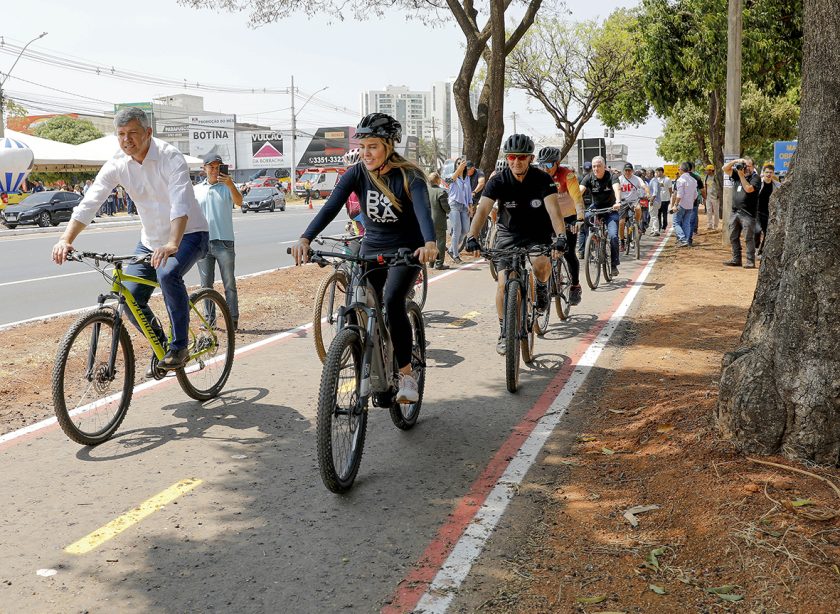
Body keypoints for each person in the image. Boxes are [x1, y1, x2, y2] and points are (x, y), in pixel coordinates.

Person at [291, 113, 437, 403]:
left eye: (373, 146)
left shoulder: (410, 175)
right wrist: (306, 237)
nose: (365, 152)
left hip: (405, 251)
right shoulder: (356, 173)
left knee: (393, 301)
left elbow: (423, 211)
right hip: (370, 250)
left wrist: (429, 243)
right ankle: (366, 356)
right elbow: (331, 207)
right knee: (358, 301)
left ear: (388, 146)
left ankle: (406, 374)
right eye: (363, 146)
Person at [51, 106, 209, 371]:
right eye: (121, 134)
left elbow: (180, 203)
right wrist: (66, 238)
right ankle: (162, 346)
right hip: (149, 242)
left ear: (148, 132)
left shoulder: (170, 157)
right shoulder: (117, 164)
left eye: (133, 133)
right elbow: (91, 202)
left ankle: (179, 346)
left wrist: (172, 244)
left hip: (188, 235)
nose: (126, 140)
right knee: (129, 296)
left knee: (168, 273)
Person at [463, 133, 567, 355]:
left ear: (530, 158)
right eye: (512, 157)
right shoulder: (498, 181)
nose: (516, 161)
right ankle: (504, 331)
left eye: (521, 157)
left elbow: (554, 211)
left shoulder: (542, 179)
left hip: (538, 232)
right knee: (502, 284)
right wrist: (471, 236)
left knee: (541, 263)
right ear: (507, 158)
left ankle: (541, 288)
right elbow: (482, 210)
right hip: (508, 232)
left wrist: (561, 236)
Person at [195, 153, 243, 331]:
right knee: (205, 285)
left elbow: (239, 202)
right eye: (211, 167)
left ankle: (232, 319)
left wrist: (230, 184)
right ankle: (209, 321)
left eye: (218, 167)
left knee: (229, 283)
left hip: (224, 242)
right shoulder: (196, 189)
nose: (215, 170)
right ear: (204, 168)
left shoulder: (227, 187)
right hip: (202, 242)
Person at [535, 146, 585, 306]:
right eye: (542, 165)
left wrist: (580, 218)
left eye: (549, 165)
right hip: (548, 218)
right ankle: (543, 286)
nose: (545, 169)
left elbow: (577, 198)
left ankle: (575, 286)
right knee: (541, 252)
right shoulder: (538, 176)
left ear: (557, 163)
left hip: (568, 219)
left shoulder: (567, 175)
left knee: (569, 254)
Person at [579, 156, 623, 276]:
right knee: (586, 216)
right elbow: (579, 192)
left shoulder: (612, 177)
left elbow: (617, 189)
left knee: (613, 236)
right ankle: (592, 238)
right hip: (596, 207)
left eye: (598, 166)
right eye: (594, 166)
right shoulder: (588, 178)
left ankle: (614, 264)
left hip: (611, 209)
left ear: (604, 166)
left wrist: (618, 201)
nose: (596, 168)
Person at [722, 156, 761, 268]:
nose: (746, 168)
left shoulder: (755, 178)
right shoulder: (738, 174)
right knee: (733, 237)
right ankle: (736, 259)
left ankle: (750, 261)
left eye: (748, 166)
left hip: (747, 214)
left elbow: (749, 189)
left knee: (748, 238)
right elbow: (724, 169)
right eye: (745, 165)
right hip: (735, 212)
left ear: (753, 167)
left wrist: (741, 176)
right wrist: (736, 161)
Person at [617, 162, 649, 250]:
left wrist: (647, 193)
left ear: (632, 171)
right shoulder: (619, 179)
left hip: (633, 201)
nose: (627, 172)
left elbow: (643, 186)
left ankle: (637, 224)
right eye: (626, 170)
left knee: (638, 208)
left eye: (629, 170)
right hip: (623, 202)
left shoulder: (637, 179)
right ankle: (622, 241)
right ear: (623, 171)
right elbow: (615, 189)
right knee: (621, 223)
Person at [447, 157, 472, 264]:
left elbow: (469, 193)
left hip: (464, 206)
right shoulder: (452, 176)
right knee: (457, 230)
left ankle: (452, 249)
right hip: (454, 205)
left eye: (462, 163)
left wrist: (470, 207)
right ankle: (456, 255)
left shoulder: (467, 178)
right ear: (455, 165)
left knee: (465, 230)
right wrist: (459, 169)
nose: (460, 164)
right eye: (458, 163)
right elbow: (449, 181)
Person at [755, 163, 780, 256]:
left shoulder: (777, 185)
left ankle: (761, 250)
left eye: (770, 172)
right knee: (757, 230)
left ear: (773, 173)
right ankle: (756, 248)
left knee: (767, 233)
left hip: (769, 212)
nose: (768, 174)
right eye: (767, 172)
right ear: (763, 173)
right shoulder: (758, 183)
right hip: (757, 211)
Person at [670, 162, 698, 247]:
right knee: (686, 223)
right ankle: (686, 240)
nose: (679, 170)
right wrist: (691, 202)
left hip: (681, 204)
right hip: (690, 205)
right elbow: (695, 194)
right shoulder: (693, 180)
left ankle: (682, 239)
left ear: (681, 170)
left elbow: (680, 194)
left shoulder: (680, 180)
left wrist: (675, 205)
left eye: (679, 169)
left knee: (676, 222)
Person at [427, 172, 450, 270]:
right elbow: (446, 208)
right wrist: (449, 210)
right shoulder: (441, 192)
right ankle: (439, 263)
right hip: (439, 221)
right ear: (437, 180)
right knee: (440, 242)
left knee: (431, 242)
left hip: (428, 220)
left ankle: (431, 262)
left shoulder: (426, 191)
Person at [342, 149, 366, 237]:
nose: (354, 174)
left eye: (358, 170)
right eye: (350, 170)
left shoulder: (374, 186)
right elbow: (329, 209)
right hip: (358, 234)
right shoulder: (345, 187)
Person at [704, 164, 720, 230]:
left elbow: (719, 187)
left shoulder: (715, 177)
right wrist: (705, 196)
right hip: (708, 197)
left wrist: (718, 195)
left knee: (716, 211)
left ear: (711, 170)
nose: (706, 171)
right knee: (709, 211)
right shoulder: (706, 177)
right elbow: (705, 186)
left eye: (707, 170)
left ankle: (716, 226)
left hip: (715, 197)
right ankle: (709, 225)